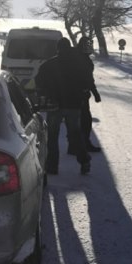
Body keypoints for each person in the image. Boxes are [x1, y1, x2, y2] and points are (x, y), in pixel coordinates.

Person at [35, 38, 92, 174]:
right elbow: (87, 80)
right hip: (74, 105)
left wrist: (44, 93)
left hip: (54, 105)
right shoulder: (78, 64)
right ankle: (84, 161)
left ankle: (52, 166)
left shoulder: (49, 64)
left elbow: (38, 81)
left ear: (58, 48)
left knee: (53, 137)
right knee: (75, 134)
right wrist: (84, 94)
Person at [69, 36, 102, 153]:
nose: (89, 48)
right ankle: (84, 144)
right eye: (87, 46)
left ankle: (73, 146)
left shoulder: (74, 57)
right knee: (85, 121)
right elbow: (88, 79)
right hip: (80, 94)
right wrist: (95, 93)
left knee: (74, 121)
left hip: (73, 94)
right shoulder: (83, 59)